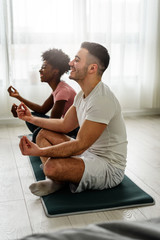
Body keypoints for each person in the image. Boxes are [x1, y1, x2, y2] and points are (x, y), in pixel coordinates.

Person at [17, 41, 128, 197]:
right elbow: (64, 125)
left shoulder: (102, 99)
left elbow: (80, 145)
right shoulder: (82, 95)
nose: (70, 63)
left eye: (77, 60)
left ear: (92, 68)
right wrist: (31, 118)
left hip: (108, 167)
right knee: (43, 134)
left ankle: (55, 176)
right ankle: (55, 180)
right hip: (88, 154)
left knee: (51, 167)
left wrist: (40, 151)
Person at [8, 48, 78, 142]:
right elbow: (42, 109)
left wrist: (28, 118)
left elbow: (54, 122)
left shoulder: (63, 91)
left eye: (44, 67)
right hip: (66, 126)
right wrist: (18, 97)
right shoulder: (59, 88)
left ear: (55, 71)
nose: (40, 71)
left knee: (36, 128)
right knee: (32, 116)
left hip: (75, 131)